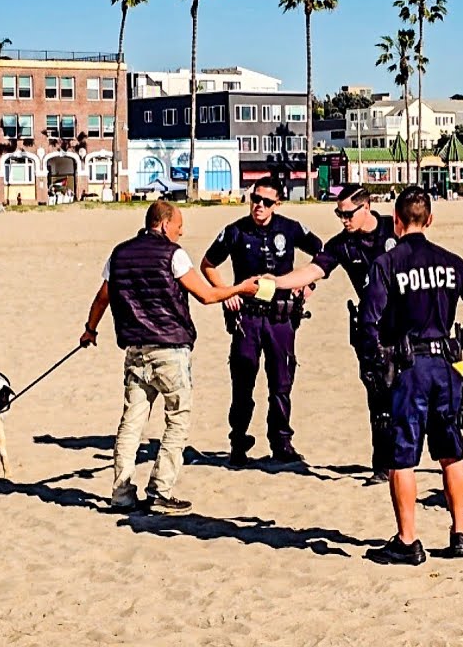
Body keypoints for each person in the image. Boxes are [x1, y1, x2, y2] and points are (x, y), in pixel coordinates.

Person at [81, 201, 259, 515]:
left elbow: (102, 297)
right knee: (177, 420)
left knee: (131, 422)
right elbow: (205, 295)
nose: (181, 231)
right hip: (169, 349)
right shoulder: (173, 254)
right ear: (164, 224)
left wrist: (90, 330)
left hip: (135, 350)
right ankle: (160, 490)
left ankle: (121, 494)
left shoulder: (119, 253)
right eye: (178, 225)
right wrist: (240, 288)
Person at [356, 186, 463, 565]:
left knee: (403, 456)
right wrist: (462, 339)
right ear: (430, 220)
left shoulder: (387, 264)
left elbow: (368, 322)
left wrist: (376, 361)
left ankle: (408, 540)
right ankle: (460, 533)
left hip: (409, 366)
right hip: (447, 365)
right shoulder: (450, 261)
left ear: (396, 221)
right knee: (451, 451)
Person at [271, 184, 398, 484]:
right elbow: (313, 270)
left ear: (366, 207)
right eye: (338, 214)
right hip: (372, 331)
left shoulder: (395, 229)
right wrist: (277, 282)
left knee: (414, 398)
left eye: (347, 214)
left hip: (408, 325)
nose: (343, 219)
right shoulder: (342, 244)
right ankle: (382, 467)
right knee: (378, 399)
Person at [200, 176, 323, 466]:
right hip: (248, 318)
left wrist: (307, 285)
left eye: (267, 202)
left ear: (277, 204)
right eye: (256, 199)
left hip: (281, 318)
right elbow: (208, 264)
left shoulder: (290, 229)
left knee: (281, 382)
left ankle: (281, 443)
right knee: (243, 380)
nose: (259, 206)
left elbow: (322, 254)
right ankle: (238, 442)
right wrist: (225, 293)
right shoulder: (235, 232)